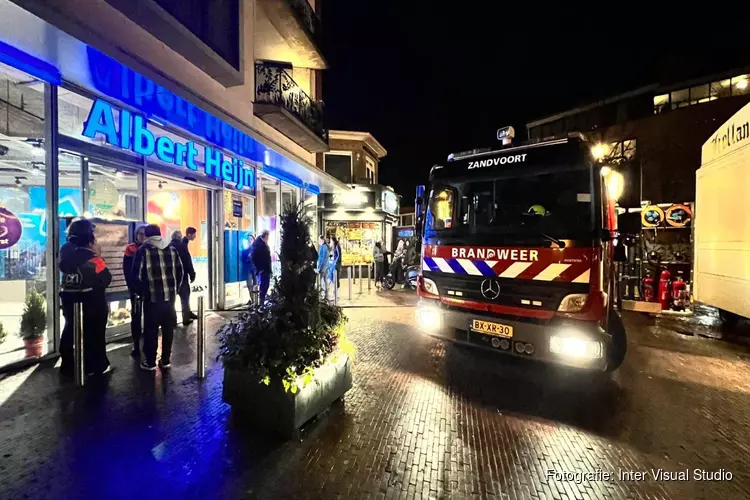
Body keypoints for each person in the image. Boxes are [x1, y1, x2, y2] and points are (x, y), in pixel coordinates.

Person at [59, 217, 112, 376]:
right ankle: (96, 365)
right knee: (94, 333)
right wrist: (98, 255)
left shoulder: (65, 250)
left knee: (70, 329)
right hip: (92, 300)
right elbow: (106, 278)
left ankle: (67, 365)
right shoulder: (92, 257)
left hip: (69, 297)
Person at [132, 224, 185, 371]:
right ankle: (166, 359)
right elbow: (180, 272)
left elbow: (136, 275)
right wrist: (174, 290)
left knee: (151, 330)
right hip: (170, 299)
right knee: (168, 329)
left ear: (147, 236)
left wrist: (142, 292)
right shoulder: (172, 249)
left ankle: (150, 362)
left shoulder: (143, 250)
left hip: (152, 299)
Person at [123, 223, 147, 357]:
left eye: (145, 234)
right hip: (135, 289)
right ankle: (136, 344)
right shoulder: (131, 249)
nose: (142, 237)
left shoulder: (150, 248)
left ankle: (147, 344)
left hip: (149, 289)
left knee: (149, 317)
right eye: (140, 234)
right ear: (136, 235)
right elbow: (127, 271)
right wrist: (132, 288)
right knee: (136, 317)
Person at [171, 227, 196, 324]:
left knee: (172, 298)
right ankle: (186, 318)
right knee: (185, 296)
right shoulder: (181, 246)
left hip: (172, 276)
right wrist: (192, 273)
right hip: (182, 275)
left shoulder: (169, 246)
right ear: (179, 237)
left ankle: (173, 320)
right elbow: (187, 261)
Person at [251, 230, 272, 304]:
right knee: (263, 287)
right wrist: (260, 269)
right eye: (268, 236)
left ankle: (261, 303)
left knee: (264, 286)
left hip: (265, 269)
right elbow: (253, 257)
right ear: (266, 235)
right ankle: (261, 304)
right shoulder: (258, 244)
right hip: (263, 270)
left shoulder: (262, 243)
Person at [244, 234, 256, 304]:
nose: (250, 241)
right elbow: (244, 260)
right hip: (248, 269)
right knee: (249, 285)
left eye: (251, 239)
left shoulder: (256, 249)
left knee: (256, 284)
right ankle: (253, 300)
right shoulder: (245, 251)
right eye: (248, 239)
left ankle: (256, 300)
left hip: (255, 269)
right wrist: (248, 258)